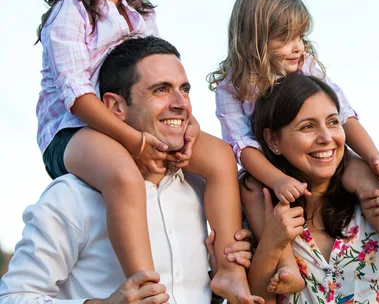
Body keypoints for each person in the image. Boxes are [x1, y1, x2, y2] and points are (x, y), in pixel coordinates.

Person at [35, 0, 250, 301]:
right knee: (122, 174)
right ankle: (146, 284)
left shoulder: (139, 15)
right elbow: (77, 96)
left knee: (219, 158)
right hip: (71, 130)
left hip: (130, 120)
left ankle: (228, 269)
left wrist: (190, 127)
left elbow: (160, 76)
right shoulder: (70, 12)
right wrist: (135, 141)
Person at [0, 37, 263, 304]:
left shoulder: (202, 187)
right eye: (161, 90)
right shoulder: (72, 197)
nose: (181, 104)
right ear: (116, 107)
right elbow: (13, 297)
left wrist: (216, 278)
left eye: (184, 90)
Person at [207, 0, 379, 293]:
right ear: (254, 41)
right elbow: (241, 146)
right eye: (285, 39)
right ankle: (286, 266)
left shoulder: (305, 65)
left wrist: (374, 156)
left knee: (362, 171)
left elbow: (343, 115)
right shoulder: (232, 86)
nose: (297, 47)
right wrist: (277, 180)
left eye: (300, 37)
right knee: (250, 189)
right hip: (267, 165)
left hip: (314, 158)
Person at [245, 73, 379, 303]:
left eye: (333, 122)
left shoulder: (375, 198)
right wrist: (271, 245)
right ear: (273, 140)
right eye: (307, 126)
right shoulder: (255, 210)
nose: (327, 137)